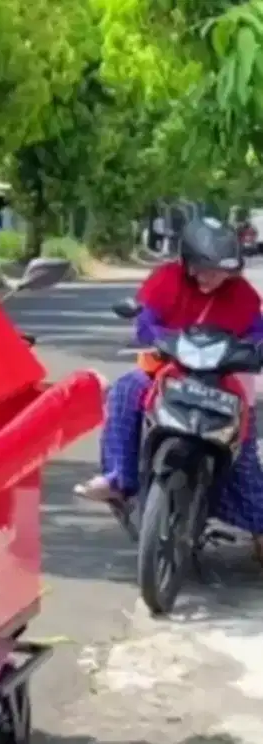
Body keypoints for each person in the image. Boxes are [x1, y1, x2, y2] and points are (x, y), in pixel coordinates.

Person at [75, 217, 263, 562]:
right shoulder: (165, 279)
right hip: (167, 369)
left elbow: (257, 332)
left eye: (220, 272)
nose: (211, 278)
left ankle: (258, 525)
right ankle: (119, 477)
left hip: (221, 378)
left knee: (243, 438)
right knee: (125, 390)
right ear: (187, 263)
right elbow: (145, 319)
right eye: (204, 269)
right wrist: (156, 337)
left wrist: (251, 349)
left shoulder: (244, 296)